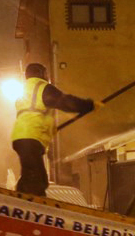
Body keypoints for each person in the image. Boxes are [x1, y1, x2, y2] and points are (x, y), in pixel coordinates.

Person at [12, 63, 99, 197]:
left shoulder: (25, 89)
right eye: (46, 73)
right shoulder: (41, 87)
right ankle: (30, 207)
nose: (48, 77)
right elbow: (65, 102)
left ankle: (21, 200)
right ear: (41, 73)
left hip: (22, 136)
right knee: (36, 179)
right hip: (31, 136)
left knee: (34, 175)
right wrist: (88, 105)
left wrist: (49, 129)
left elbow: (34, 113)